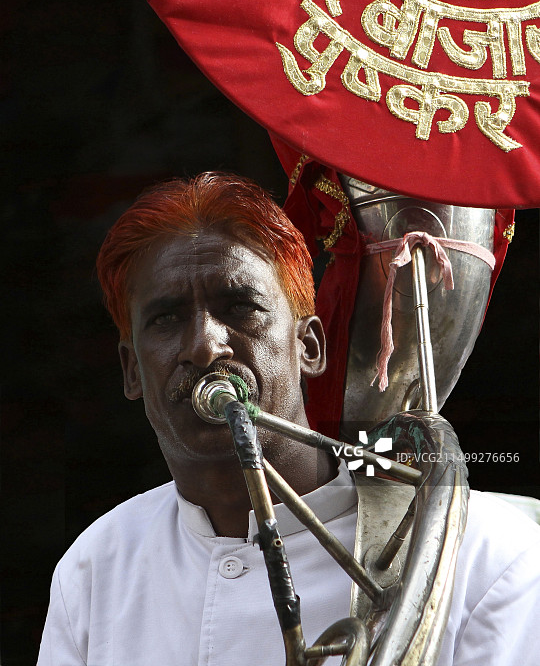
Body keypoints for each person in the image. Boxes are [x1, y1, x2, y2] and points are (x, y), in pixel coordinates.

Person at [38, 172, 540, 665]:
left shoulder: (487, 556)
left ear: (309, 347)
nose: (205, 347)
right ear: (132, 370)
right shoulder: (96, 567)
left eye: (240, 307)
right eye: (166, 318)